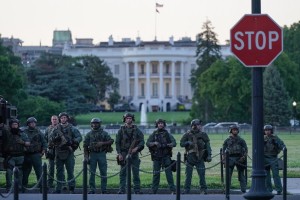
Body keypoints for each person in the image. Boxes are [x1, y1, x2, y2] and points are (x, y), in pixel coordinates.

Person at [49, 112, 82, 194]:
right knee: (59, 171)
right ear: (60, 119)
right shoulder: (56, 128)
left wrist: (73, 141)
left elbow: (79, 137)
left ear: (67, 118)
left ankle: (71, 188)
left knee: (70, 171)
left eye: (64, 117)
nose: (63, 119)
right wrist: (55, 139)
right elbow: (50, 139)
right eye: (62, 118)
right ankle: (58, 188)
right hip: (58, 152)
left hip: (69, 152)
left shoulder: (72, 128)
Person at [180, 119, 212, 194]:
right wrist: (187, 142)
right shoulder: (187, 134)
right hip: (190, 157)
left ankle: (203, 189)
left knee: (201, 174)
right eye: (198, 125)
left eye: (200, 125)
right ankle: (186, 189)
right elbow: (181, 143)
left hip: (200, 157)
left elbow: (208, 145)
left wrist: (209, 155)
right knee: (188, 175)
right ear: (193, 126)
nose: (199, 126)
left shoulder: (203, 134)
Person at [115, 113, 145, 194]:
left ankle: (137, 189)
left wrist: (137, 148)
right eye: (127, 118)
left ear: (132, 119)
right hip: (124, 153)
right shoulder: (121, 130)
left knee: (135, 173)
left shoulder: (137, 130)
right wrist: (119, 154)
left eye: (130, 118)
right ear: (124, 119)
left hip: (134, 154)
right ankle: (122, 189)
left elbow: (142, 141)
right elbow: (117, 143)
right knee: (123, 173)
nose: (128, 119)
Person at [83, 118, 114, 194]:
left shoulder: (104, 133)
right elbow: (85, 146)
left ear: (99, 124)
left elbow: (111, 141)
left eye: (96, 123)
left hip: (101, 154)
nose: (95, 124)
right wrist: (86, 156)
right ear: (91, 124)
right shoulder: (89, 134)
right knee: (91, 173)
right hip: (92, 154)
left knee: (103, 172)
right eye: (93, 123)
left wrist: (102, 143)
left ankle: (104, 189)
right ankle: (92, 189)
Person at [146, 119, 176, 194]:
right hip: (156, 157)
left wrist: (167, 145)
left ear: (164, 124)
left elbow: (174, 143)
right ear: (157, 124)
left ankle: (173, 190)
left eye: (162, 123)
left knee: (169, 174)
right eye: (159, 123)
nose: (160, 125)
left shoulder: (167, 134)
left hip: (166, 157)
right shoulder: (154, 134)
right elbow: (147, 143)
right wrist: (154, 143)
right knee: (156, 174)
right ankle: (154, 190)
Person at [4, 119, 30, 192]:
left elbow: (28, 143)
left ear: (18, 125)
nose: (14, 126)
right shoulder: (7, 133)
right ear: (10, 125)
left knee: (20, 172)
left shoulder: (22, 133)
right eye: (13, 124)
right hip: (10, 156)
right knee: (9, 172)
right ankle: (8, 187)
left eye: (16, 124)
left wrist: (22, 142)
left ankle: (19, 187)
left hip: (20, 156)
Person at [22, 117, 47, 192]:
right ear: (28, 124)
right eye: (31, 123)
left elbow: (44, 142)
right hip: (26, 155)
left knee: (39, 172)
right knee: (25, 172)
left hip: (36, 154)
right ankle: (24, 187)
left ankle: (42, 188)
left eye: (34, 123)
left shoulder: (39, 132)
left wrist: (43, 150)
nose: (33, 124)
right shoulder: (23, 132)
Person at [222, 124, 248, 193]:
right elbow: (223, 151)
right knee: (228, 175)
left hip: (239, 158)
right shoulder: (227, 140)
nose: (235, 131)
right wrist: (224, 159)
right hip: (230, 158)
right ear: (230, 131)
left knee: (241, 174)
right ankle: (227, 189)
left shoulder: (241, 140)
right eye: (234, 130)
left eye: (236, 130)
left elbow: (245, 149)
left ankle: (243, 189)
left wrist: (243, 157)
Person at [44, 115, 66, 189]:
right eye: (53, 119)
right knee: (51, 168)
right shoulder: (48, 129)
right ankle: (49, 184)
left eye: (56, 119)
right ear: (51, 120)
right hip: (51, 150)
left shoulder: (62, 128)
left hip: (60, 150)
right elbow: (45, 140)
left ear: (58, 120)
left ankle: (63, 184)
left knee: (60, 168)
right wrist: (45, 150)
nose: (54, 120)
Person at [264, 125, 285, 195]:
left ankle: (279, 189)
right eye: (266, 130)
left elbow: (282, 146)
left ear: (271, 131)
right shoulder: (262, 138)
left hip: (273, 158)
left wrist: (276, 144)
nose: (267, 131)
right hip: (265, 158)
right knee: (266, 175)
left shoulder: (275, 138)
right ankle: (268, 190)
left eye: (269, 130)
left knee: (275, 174)